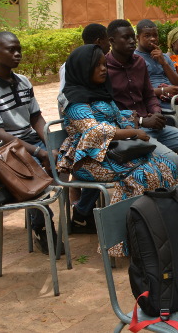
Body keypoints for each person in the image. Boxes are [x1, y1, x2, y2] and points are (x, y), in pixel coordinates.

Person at [57, 44, 178, 255]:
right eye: (97, 66)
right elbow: (93, 131)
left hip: (114, 154)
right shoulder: (74, 100)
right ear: (83, 68)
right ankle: (119, 243)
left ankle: (154, 232)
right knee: (140, 175)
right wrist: (133, 133)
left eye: (104, 64)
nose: (103, 69)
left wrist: (136, 123)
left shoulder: (101, 93)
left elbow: (120, 117)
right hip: (89, 160)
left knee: (165, 166)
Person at [0, 31, 61, 254]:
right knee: (34, 173)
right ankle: (42, 227)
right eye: (10, 49)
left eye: (18, 49)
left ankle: (82, 214)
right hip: (1, 150)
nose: (17, 53)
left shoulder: (23, 81)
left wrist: (48, 146)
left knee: (73, 154)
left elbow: (36, 118)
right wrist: (40, 154)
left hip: (27, 140)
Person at [105, 19, 178, 195]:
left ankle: (154, 186)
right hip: (128, 132)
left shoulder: (139, 63)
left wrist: (156, 112)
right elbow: (108, 110)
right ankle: (157, 189)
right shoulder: (104, 69)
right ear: (112, 41)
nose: (131, 41)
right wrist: (142, 120)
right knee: (172, 159)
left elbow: (148, 95)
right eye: (126, 38)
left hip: (152, 123)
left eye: (132, 37)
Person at [56, 23, 110, 232]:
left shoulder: (99, 80)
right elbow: (66, 101)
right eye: (107, 39)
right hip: (84, 138)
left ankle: (83, 213)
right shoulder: (73, 69)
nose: (109, 44)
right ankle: (86, 213)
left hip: (101, 137)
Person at [134, 19, 178, 109]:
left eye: (155, 35)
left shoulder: (164, 57)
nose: (152, 39)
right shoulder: (135, 59)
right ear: (138, 38)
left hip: (174, 98)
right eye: (147, 36)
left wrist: (164, 63)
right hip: (155, 102)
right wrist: (162, 91)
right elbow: (137, 92)